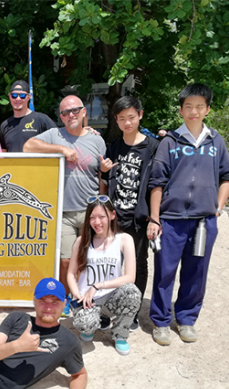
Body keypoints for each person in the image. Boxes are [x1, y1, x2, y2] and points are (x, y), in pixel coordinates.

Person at [147, 83, 229, 346]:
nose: (193, 111)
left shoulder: (216, 141)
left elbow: (227, 177)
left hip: (203, 222)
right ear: (181, 110)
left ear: (207, 109)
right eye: (188, 106)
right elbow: (157, 182)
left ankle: (186, 319)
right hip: (171, 220)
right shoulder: (170, 141)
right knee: (165, 272)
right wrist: (155, 218)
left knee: (197, 272)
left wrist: (218, 207)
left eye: (199, 106)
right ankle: (161, 322)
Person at [23, 95, 106, 316]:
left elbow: (102, 176)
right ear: (61, 116)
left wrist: (102, 209)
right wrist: (61, 149)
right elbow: (28, 146)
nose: (71, 115)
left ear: (84, 112)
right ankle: (67, 297)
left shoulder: (97, 140)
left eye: (75, 110)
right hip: (64, 212)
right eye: (65, 112)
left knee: (89, 259)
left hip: (90, 212)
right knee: (66, 261)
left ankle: (88, 298)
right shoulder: (55, 134)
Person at [99, 96, 159, 331]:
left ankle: (131, 311)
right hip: (116, 216)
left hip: (139, 218)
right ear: (116, 119)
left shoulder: (153, 147)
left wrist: (155, 217)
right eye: (122, 118)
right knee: (110, 262)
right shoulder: (113, 147)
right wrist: (103, 172)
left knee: (139, 264)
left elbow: (158, 184)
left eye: (131, 117)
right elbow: (105, 182)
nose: (127, 122)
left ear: (140, 115)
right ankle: (107, 308)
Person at [67, 196, 141, 355]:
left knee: (133, 292)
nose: (97, 222)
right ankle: (98, 320)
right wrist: (77, 295)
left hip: (111, 296)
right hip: (89, 300)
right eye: (92, 217)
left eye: (102, 216)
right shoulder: (81, 241)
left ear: (112, 215)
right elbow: (71, 274)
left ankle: (120, 335)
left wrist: (97, 286)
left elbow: (130, 277)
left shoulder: (124, 239)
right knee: (85, 328)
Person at [0, 80, 57, 152]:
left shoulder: (41, 119)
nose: (18, 99)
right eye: (14, 95)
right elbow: (3, 152)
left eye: (22, 96)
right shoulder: (5, 125)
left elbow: (58, 141)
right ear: (10, 96)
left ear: (28, 97)